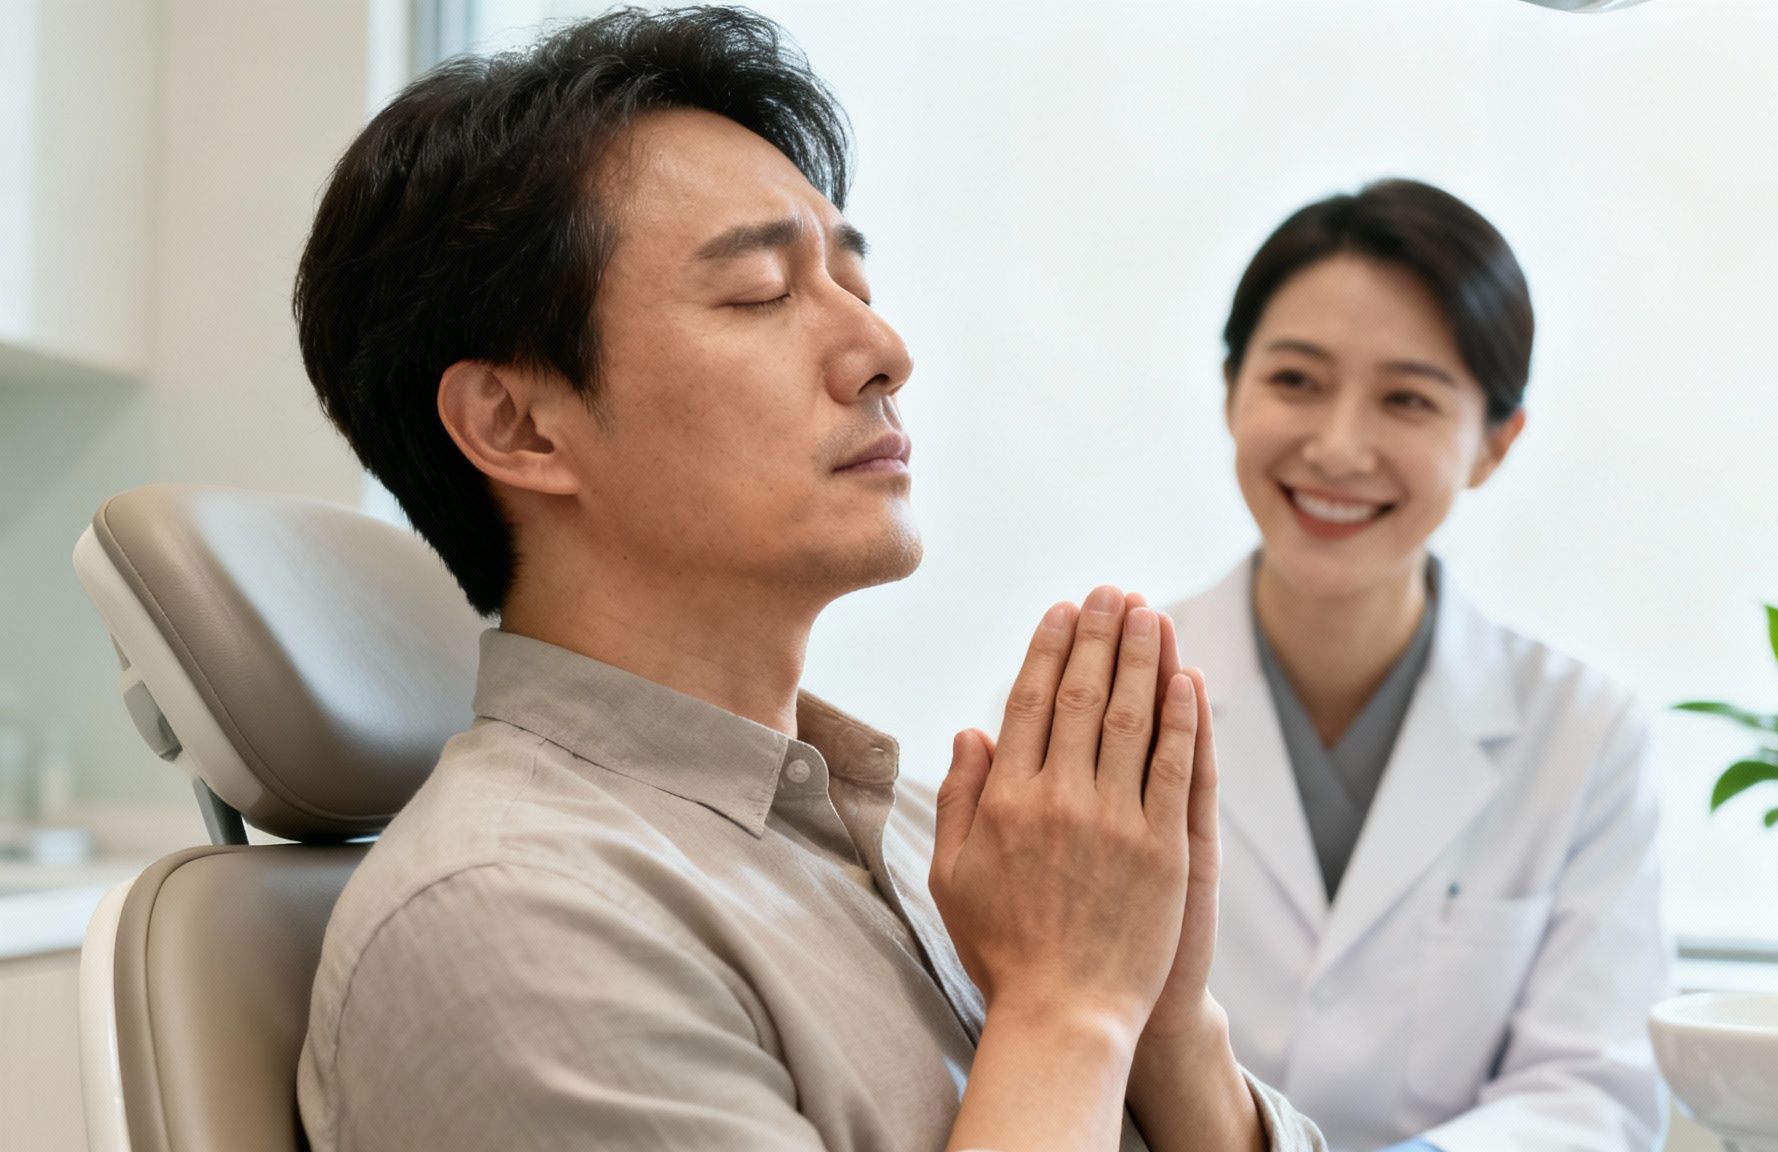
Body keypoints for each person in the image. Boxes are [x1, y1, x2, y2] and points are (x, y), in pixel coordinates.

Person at [289, 9, 1322, 1152]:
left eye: (851, 279)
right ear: (519, 424)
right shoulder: (507, 918)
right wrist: (1071, 1011)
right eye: (761, 294)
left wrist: (1167, 1024)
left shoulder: (931, 840)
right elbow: (1064, 1017)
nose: (883, 350)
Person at [1166, 180, 1667, 1152]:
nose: (1337, 447)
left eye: (1406, 398)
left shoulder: (1583, 733)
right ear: (1231, 390)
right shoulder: (1102, 699)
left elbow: (1590, 1097)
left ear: (1493, 444)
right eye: (1294, 380)